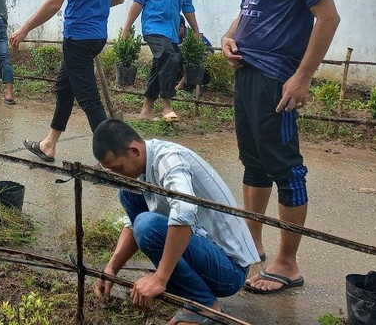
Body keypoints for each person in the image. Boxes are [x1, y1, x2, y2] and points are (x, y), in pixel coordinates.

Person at [214, 0, 340, 294]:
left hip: (276, 80)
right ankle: (254, 244)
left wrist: (302, 76)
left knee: (286, 167)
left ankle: (288, 264)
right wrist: (229, 38)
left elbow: (328, 16)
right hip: (247, 73)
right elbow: (247, 12)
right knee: (253, 162)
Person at [92, 119, 259, 325]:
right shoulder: (143, 165)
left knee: (147, 225)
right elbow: (132, 224)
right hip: (204, 247)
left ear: (133, 151)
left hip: (229, 269)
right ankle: (191, 292)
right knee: (128, 194)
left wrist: (159, 278)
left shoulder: (169, 160)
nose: (117, 175)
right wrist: (111, 269)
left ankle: (202, 304)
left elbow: (184, 213)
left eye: (117, 168)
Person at [9, 0, 124, 162]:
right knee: (64, 87)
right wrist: (94, 4)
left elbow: (53, 4)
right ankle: (49, 144)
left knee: (90, 100)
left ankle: (114, 158)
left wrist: (24, 28)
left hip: (79, 37)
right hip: (97, 35)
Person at [121, 0, 201, 122]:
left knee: (159, 66)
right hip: (153, 26)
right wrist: (126, 28)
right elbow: (139, 0)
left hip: (172, 30)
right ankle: (167, 106)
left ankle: (146, 110)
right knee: (169, 56)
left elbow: (187, 5)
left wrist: (196, 31)